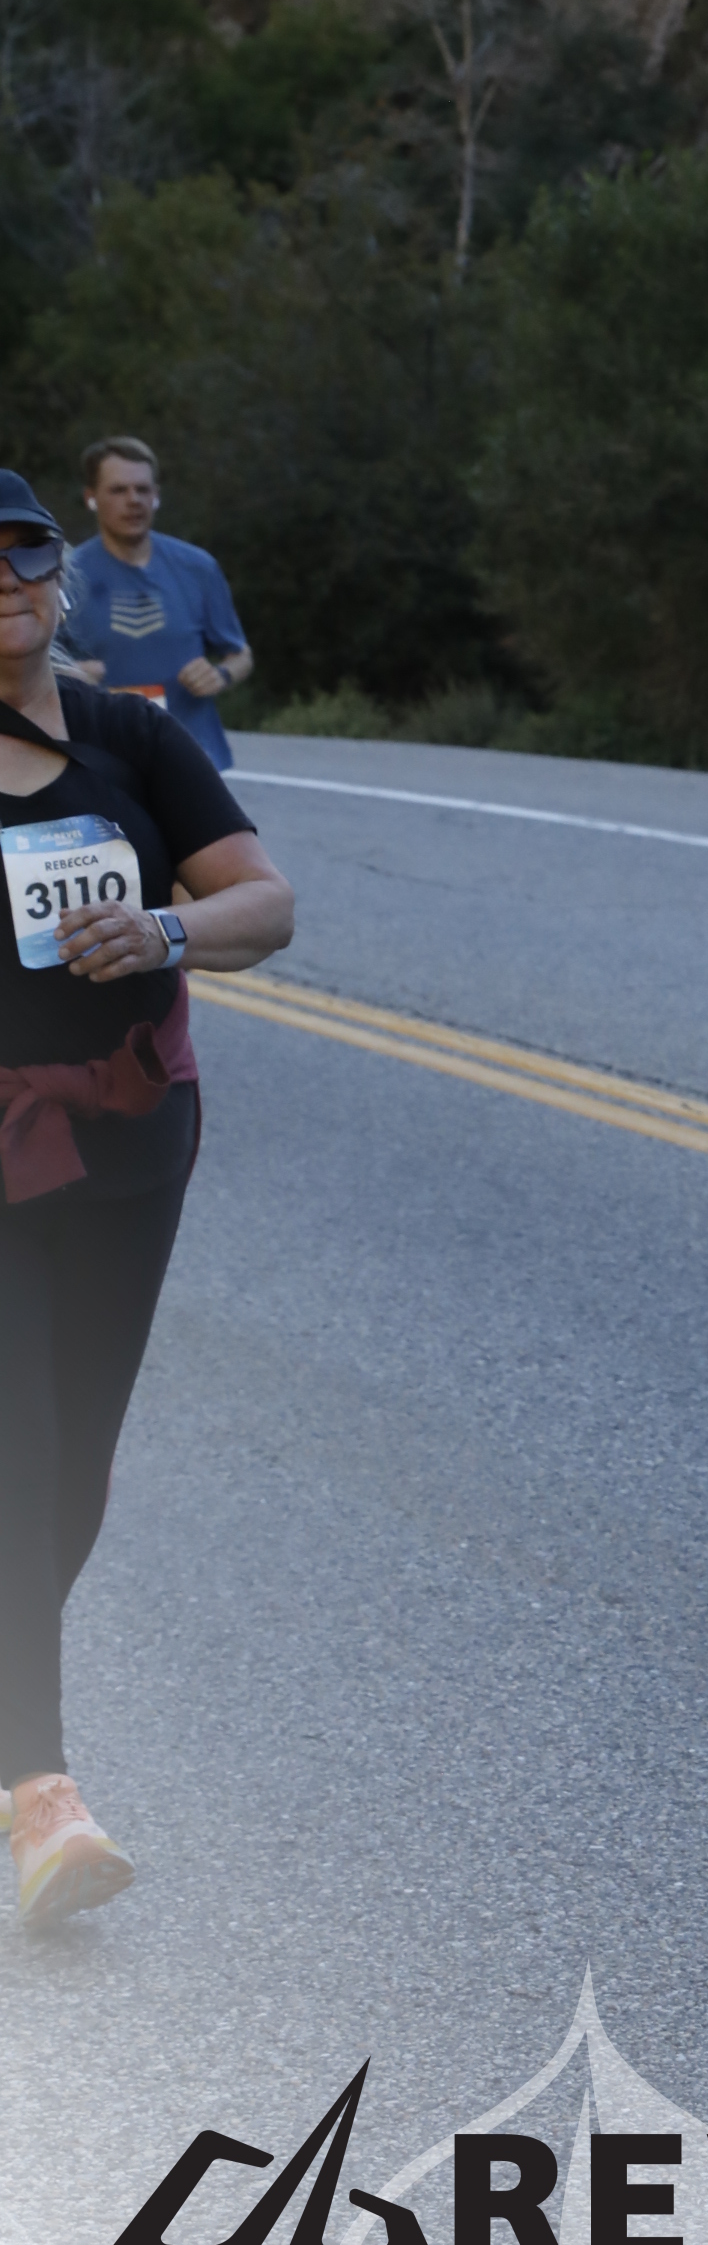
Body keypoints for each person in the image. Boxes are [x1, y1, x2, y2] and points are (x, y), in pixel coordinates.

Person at [0, 466, 294, 1923]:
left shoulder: (130, 736)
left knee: (75, 1475)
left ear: (57, 575)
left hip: (128, 1143)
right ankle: (41, 1795)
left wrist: (167, 928)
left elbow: (265, 900)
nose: (4, 575)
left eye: (23, 548)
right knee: (18, 1453)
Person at [58, 437, 253, 770]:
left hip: (192, 753)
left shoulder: (197, 567)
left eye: (142, 489)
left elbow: (240, 655)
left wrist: (220, 674)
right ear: (91, 497)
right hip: (105, 755)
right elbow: (29, 663)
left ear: (156, 495)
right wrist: (66, 674)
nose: (133, 500)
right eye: (118, 490)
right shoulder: (67, 575)